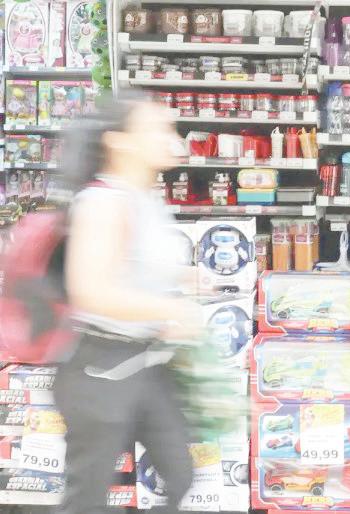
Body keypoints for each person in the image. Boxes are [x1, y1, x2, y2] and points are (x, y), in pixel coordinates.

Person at [54, 94, 201, 514]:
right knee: (86, 499)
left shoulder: (145, 197)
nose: (172, 138)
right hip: (100, 366)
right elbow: (90, 291)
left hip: (147, 364)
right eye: (158, 129)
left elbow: (135, 268)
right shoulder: (103, 202)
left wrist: (181, 282)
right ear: (119, 141)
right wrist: (170, 309)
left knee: (180, 473)